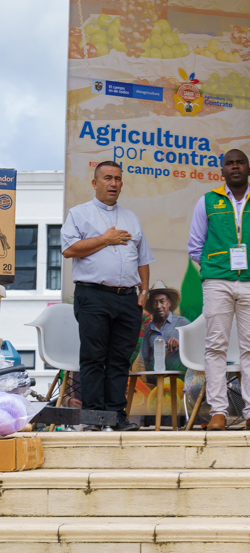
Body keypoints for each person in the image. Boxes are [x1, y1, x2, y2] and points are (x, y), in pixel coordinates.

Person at [188, 149, 250, 431]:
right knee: (215, 346)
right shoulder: (207, 201)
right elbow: (195, 246)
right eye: (229, 163)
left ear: (249, 169)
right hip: (217, 281)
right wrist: (211, 270)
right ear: (222, 171)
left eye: (239, 162)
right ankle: (218, 412)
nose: (235, 167)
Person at [62, 161, 154, 431]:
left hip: (128, 298)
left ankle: (116, 417)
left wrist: (144, 291)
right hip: (94, 295)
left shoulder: (131, 217)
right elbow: (69, 250)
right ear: (95, 183)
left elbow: (143, 257)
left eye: (117, 179)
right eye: (107, 178)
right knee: (94, 357)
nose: (113, 183)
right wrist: (105, 239)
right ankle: (92, 418)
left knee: (120, 359)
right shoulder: (79, 214)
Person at [138, 280, 189, 378]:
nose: (158, 306)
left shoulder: (182, 323)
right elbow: (144, 358)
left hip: (177, 379)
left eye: (162, 301)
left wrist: (179, 344)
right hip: (154, 381)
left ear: (169, 302)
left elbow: (195, 348)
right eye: (154, 302)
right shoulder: (149, 327)